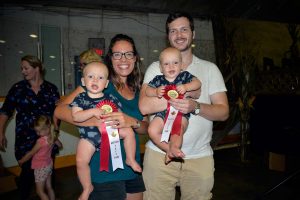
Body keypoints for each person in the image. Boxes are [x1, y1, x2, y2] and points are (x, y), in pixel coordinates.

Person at [139, 12, 229, 200]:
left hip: (199, 158)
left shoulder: (209, 69)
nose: (179, 35)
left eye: (184, 29)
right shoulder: (157, 68)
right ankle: (168, 149)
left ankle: (174, 147)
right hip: (158, 159)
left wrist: (194, 106)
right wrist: (175, 97)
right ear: (168, 36)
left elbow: (223, 112)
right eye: (173, 31)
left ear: (193, 34)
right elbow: (144, 107)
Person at [54, 33, 148, 200]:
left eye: (128, 54)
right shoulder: (99, 82)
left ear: (135, 58)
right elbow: (59, 110)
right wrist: (95, 120)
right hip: (104, 172)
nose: (123, 59)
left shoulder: (139, 90)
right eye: (117, 54)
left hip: (131, 169)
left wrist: (131, 121)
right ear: (110, 59)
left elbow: (144, 128)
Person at [70, 61, 142, 200]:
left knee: (129, 132)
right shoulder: (80, 98)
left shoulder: (111, 98)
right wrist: (93, 111)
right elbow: (76, 116)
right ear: (83, 81)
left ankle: (130, 159)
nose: (95, 80)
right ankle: (87, 187)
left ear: (106, 83)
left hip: (111, 131)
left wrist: (120, 121)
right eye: (91, 77)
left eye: (100, 77)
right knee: (80, 160)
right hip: (89, 136)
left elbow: (120, 114)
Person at [0, 55, 60, 200]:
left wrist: (54, 133)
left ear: (37, 68)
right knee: (26, 176)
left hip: (47, 141)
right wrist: (0, 132)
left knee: (48, 179)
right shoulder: (18, 89)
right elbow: (5, 111)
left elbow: (57, 113)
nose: (23, 71)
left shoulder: (51, 89)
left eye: (26, 68)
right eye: (22, 68)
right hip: (24, 141)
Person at [145, 47, 201, 164]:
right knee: (152, 130)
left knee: (178, 130)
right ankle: (169, 149)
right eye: (166, 64)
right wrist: (155, 92)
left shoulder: (185, 76)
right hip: (162, 113)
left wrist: (186, 87)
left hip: (181, 112)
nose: (171, 66)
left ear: (181, 65)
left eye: (175, 63)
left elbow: (197, 83)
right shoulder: (158, 80)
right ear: (161, 68)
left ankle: (174, 147)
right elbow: (147, 90)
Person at [18, 115, 62, 200]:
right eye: (36, 131)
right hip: (49, 165)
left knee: (40, 191)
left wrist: (21, 161)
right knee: (49, 187)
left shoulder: (40, 141)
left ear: (47, 128)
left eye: (39, 131)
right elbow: (60, 145)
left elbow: (31, 153)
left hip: (40, 167)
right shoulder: (53, 137)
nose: (37, 134)